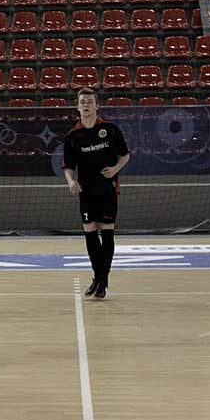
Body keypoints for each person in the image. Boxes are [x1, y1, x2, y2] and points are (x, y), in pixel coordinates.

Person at [63, 87, 130, 299]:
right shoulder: (72, 136)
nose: (86, 105)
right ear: (77, 106)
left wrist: (114, 170)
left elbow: (125, 155)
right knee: (90, 231)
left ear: (97, 105)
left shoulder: (110, 129)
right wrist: (71, 182)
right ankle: (98, 278)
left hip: (108, 189)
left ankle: (102, 281)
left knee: (107, 231)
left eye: (90, 102)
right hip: (86, 191)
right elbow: (68, 166)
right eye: (82, 102)